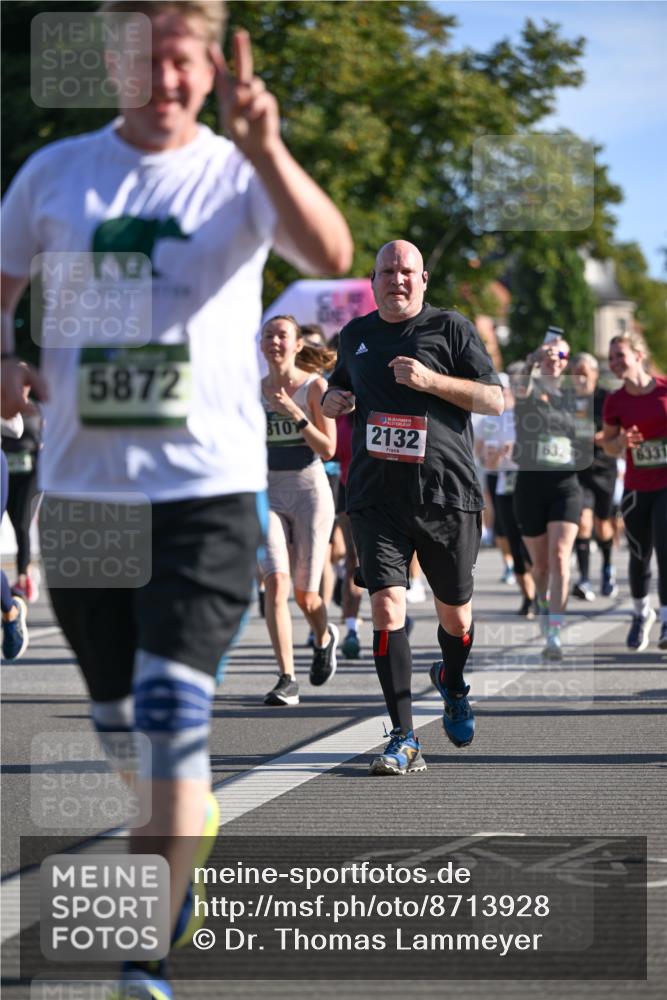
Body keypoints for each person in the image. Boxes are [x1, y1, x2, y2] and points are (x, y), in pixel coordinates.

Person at [0, 1, 352, 993]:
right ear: (112, 64)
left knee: (167, 715)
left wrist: (270, 145)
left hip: (205, 496)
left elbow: (330, 252)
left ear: (211, 69)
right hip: (82, 497)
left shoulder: (240, 174)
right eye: (147, 61)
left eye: (184, 63)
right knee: (122, 726)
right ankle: (181, 815)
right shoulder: (54, 174)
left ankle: (143, 956)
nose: (166, 82)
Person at [322, 240, 503, 775]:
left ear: (423, 280)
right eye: (387, 271)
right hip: (376, 495)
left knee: (456, 615)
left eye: (407, 272)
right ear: (373, 281)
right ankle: (403, 738)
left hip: (447, 493)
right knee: (386, 608)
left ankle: (452, 680)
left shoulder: (450, 328)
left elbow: (494, 399)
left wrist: (431, 381)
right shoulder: (354, 336)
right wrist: (333, 401)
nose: (397, 279)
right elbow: (339, 391)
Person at [259, 315, 339, 705]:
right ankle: (286, 678)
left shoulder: (314, 386)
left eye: (282, 335)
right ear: (261, 345)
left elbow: (328, 449)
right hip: (269, 491)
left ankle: (324, 637)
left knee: (307, 596)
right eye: (268, 335)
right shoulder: (252, 392)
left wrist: (295, 414)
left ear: (296, 345)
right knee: (276, 582)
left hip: (310, 490)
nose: (275, 341)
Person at [512, 329, 583, 661]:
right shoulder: (528, 389)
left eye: (562, 356)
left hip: (566, 484)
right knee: (539, 566)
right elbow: (517, 387)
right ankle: (542, 602)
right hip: (530, 485)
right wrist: (531, 362)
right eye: (550, 355)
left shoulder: (578, 395)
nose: (556, 360)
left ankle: (554, 631)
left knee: (558, 557)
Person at [601, 332, 667, 652]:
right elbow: (610, 445)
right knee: (640, 554)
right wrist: (622, 443)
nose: (614, 362)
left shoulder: (665, 389)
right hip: (636, 488)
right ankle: (642, 613)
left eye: (620, 355)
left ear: (639, 355)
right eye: (611, 357)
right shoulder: (615, 401)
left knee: (666, 548)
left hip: (666, 485)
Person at [571, 352, 618, 601]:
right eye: (575, 374)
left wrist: (598, 438)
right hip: (579, 471)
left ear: (595, 375)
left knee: (603, 524)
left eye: (584, 374)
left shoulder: (606, 398)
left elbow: (615, 432)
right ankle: (585, 579)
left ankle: (608, 567)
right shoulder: (567, 400)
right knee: (583, 521)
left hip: (604, 468)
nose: (579, 378)